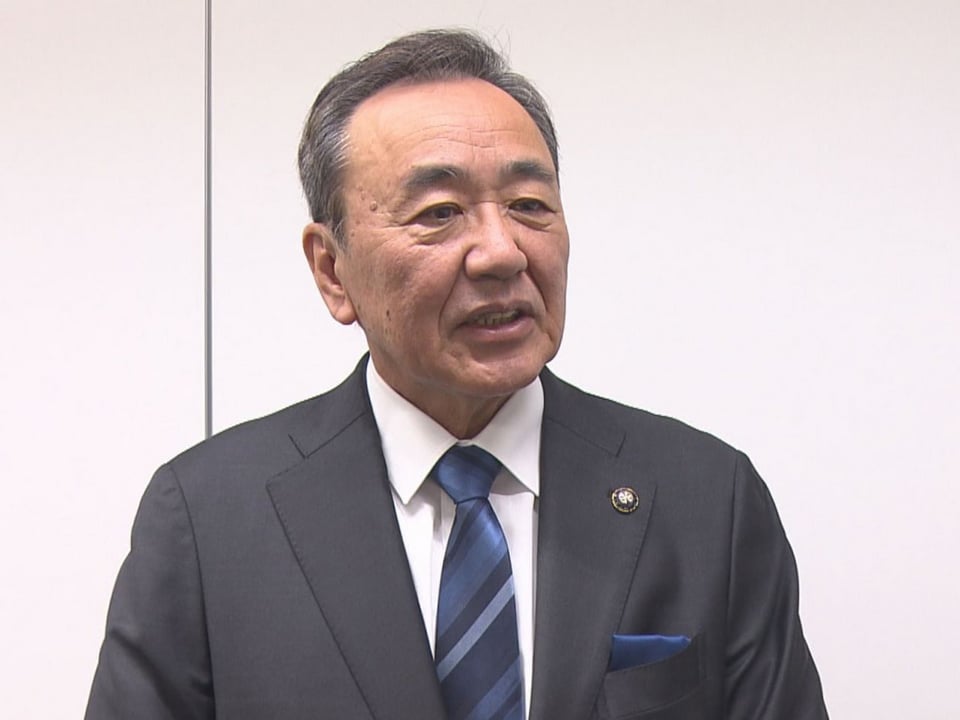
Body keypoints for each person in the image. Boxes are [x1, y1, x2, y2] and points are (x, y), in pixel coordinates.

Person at [85, 29, 828, 720]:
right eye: (440, 213)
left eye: (529, 204)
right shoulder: (209, 521)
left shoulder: (708, 501)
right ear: (332, 270)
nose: (502, 251)